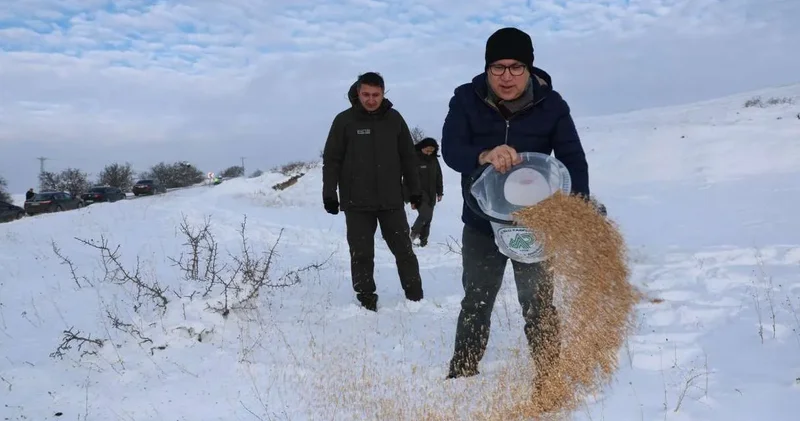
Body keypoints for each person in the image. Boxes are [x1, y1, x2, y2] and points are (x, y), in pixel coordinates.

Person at [440, 27, 593, 379]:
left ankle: (550, 374)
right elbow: (451, 149)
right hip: (482, 219)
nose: (506, 76)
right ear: (486, 68)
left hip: (535, 223)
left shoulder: (551, 105)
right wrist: (484, 154)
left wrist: (579, 208)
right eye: (497, 67)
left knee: (538, 303)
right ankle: (462, 373)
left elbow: (572, 157)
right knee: (476, 301)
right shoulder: (466, 99)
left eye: (516, 67)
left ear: (529, 68)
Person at [322, 71, 425, 312]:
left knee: (404, 251)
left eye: (376, 95)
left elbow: (409, 157)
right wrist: (329, 193)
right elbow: (332, 160)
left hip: (391, 201)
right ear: (358, 93)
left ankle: (416, 297)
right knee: (361, 254)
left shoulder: (395, 119)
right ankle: (366, 298)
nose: (371, 100)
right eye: (366, 94)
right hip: (356, 203)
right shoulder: (344, 121)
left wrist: (415, 190)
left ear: (383, 93)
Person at [407, 137, 444, 248]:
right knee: (425, 214)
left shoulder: (434, 160)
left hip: (431, 193)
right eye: (427, 150)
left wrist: (440, 192)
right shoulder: (414, 158)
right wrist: (413, 198)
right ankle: (413, 234)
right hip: (418, 193)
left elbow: (438, 176)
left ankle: (424, 241)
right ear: (422, 148)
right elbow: (410, 179)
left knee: (429, 217)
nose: (429, 153)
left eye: (431, 151)